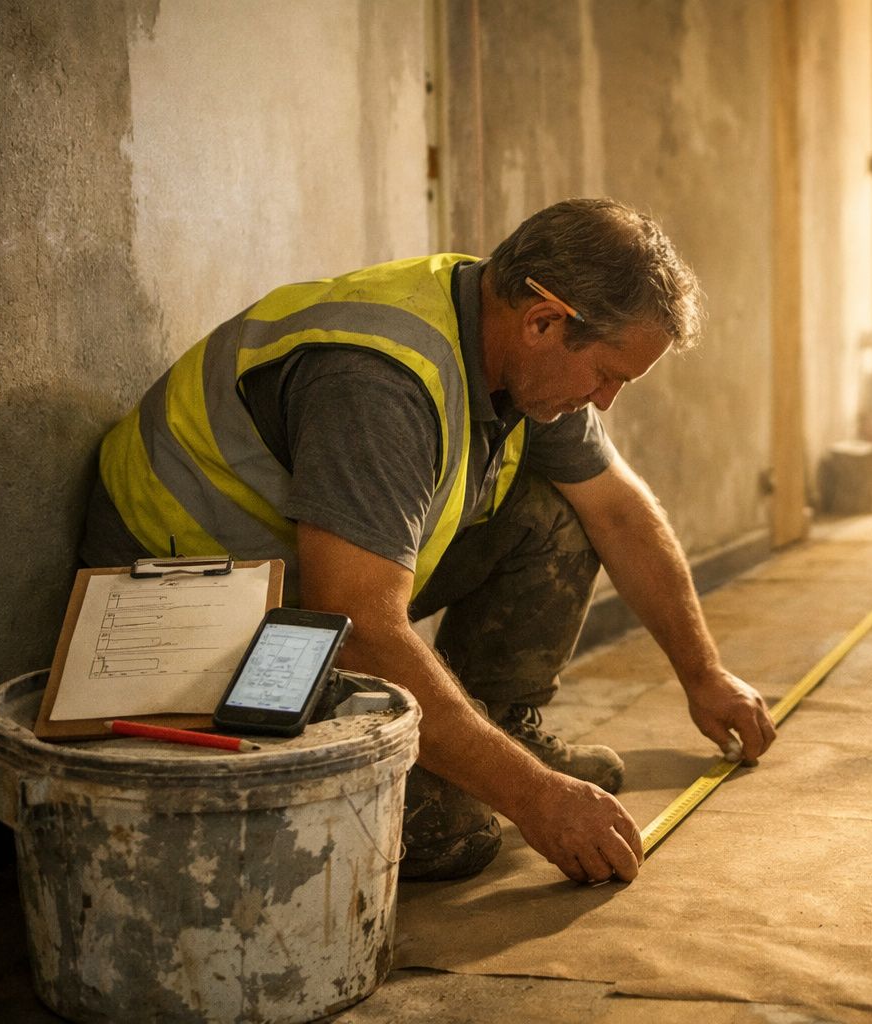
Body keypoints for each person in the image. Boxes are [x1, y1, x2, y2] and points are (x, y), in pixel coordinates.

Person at [80, 197, 777, 885]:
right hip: (186, 618)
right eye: (606, 375)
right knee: (451, 832)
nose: (604, 402)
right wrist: (536, 797)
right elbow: (355, 627)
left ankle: (497, 725)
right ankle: (488, 762)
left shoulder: (516, 342)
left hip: (302, 595)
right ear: (544, 320)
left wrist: (704, 674)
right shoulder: (377, 385)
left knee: (555, 514)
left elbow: (620, 514)